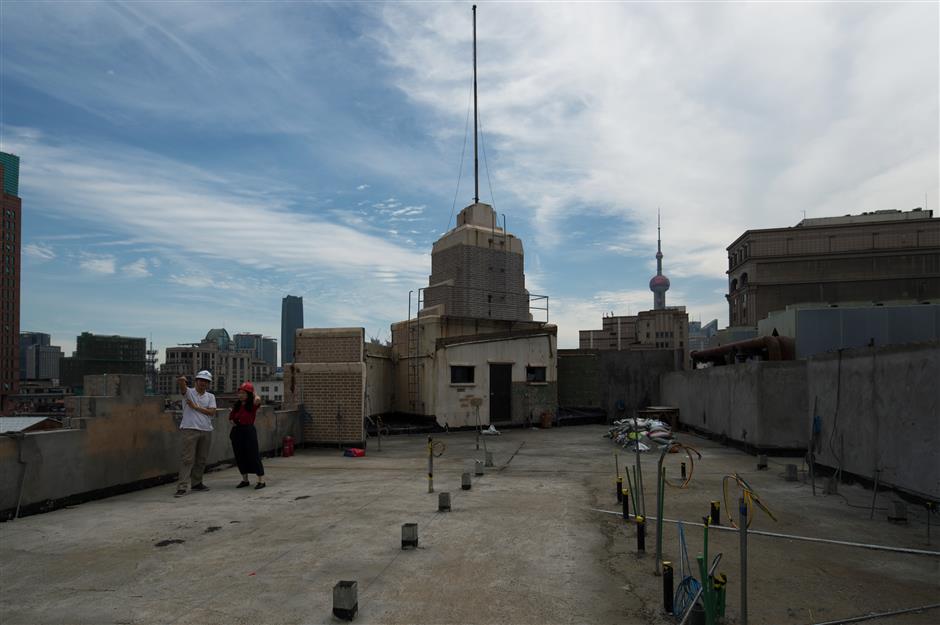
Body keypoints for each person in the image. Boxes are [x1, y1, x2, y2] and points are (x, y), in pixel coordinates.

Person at [175, 370, 216, 497]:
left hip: (206, 430)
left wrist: (195, 407)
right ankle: (182, 486)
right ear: (196, 381)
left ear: (208, 383)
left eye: (205, 381)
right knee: (187, 459)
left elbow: (211, 412)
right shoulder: (189, 393)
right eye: (201, 380)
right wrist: (182, 380)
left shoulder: (210, 397)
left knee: (201, 459)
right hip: (190, 429)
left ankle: (197, 483)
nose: (203, 383)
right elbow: (182, 387)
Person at [229, 381, 266, 490]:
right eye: (240, 393)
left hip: (248, 430)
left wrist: (253, 393)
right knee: (240, 455)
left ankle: (261, 480)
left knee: (253, 454)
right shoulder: (237, 405)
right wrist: (234, 421)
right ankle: (245, 479)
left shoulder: (252, 405)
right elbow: (231, 418)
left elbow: (258, 400)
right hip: (237, 431)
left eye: (244, 393)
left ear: (249, 394)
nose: (241, 395)